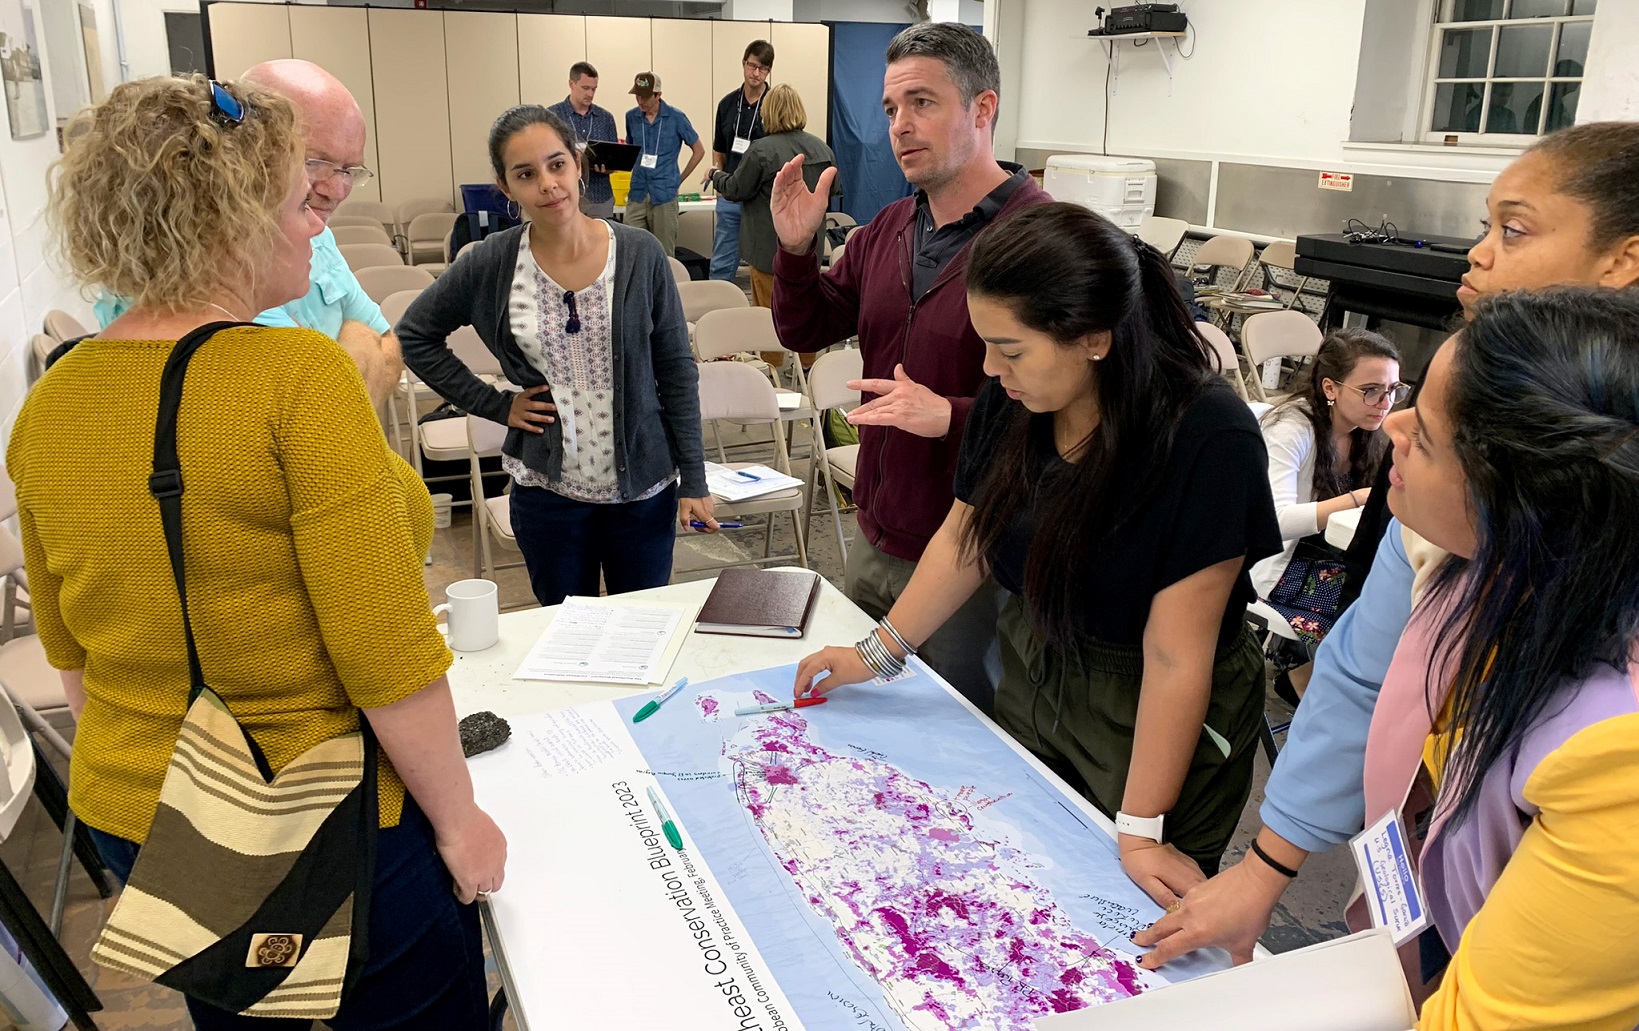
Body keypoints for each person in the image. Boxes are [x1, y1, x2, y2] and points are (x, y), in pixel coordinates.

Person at [16, 75, 501, 1028]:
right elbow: (386, 656)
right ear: (227, 220)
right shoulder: (298, 377)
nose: (316, 230)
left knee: (239, 1013)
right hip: (320, 820)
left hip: (139, 815)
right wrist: (461, 819)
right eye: (296, 204)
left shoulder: (51, 404)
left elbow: (73, 653)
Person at [1134, 120, 1639, 973]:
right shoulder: (1435, 522)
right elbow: (1365, 669)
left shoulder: (1604, 738)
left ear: (1621, 261)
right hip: (1427, 884)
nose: (1476, 256)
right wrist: (1267, 868)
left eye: (1511, 230)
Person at [795, 203, 1282, 902]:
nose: (990, 368)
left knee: (1120, 911)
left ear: (1092, 338)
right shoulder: (1014, 399)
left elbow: (1179, 655)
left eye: (1011, 348)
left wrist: (1141, 828)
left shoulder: (1206, 435)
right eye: (985, 343)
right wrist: (875, 653)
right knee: (1018, 869)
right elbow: (967, 534)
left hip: (1154, 704)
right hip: (1036, 661)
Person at [1370, 289, 1639, 1027]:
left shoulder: (1617, 759)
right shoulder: (1491, 573)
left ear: (1518, 498)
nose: (1390, 427)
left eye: (1422, 435)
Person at [769, 21, 1051, 715]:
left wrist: (951, 414)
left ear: (981, 110)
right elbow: (805, 327)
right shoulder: (889, 227)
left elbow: (1066, 409)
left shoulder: (1041, 239)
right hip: (875, 530)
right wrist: (796, 254)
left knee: (953, 733)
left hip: (972, 554)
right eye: (891, 108)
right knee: (865, 723)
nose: (899, 125)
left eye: (921, 102)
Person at [397, 105, 713, 608]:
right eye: (526, 174)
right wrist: (499, 405)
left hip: (643, 492)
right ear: (505, 187)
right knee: (566, 638)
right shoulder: (492, 262)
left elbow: (676, 369)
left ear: (579, 163)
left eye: (556, 164)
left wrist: (694, 477)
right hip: (549, 498)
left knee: (643, 631)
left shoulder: (641, 253)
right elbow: (414, 336)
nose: (547, 184)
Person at [93, 59, 402, 413]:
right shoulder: (194, 276)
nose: (337, 189)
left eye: (350, 170)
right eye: (314, 161)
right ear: (243, 155)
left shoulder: (314, 232)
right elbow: (309, 403)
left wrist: (352, 350)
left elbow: (384, 343)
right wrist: (357, 340)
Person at [1252, 329, 1400, 700]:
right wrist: (1359, 499)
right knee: (1376, 608)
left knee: (1397, 589)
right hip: (1279, 564)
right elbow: (1275, 520)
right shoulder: (1292, 429)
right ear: (1330, 388)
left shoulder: (1367, 431)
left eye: (1394, 390)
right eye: (1370, 390)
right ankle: (1312, 682)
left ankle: (1316, 680)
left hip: (1327, 555)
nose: (1384, 402)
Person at [707, 83, 835, 308]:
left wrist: (714, 174)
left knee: (768, 324)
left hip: (768, 257)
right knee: (803, 318)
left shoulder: (760, 151)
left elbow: (736, 189)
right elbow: (832, 191)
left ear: (768, 112)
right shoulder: (823, 150)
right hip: (808, 257)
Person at [705, 39, 774, 282]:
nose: (756, 73)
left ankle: (762, 315)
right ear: (744, 64)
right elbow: (719, 149)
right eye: (752, 66)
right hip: (731, 195)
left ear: (769, 71)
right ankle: (716, 309)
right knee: (722, 263)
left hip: (762, 199)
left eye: (763, 68)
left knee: (764, 265)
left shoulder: (774, 105)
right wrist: (720, 184)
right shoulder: (727, 104)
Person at [623, 72, 705, 257]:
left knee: (664, 254)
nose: (640, 101)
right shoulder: (631, 117)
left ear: (658, 95)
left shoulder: (676, 117)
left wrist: (678, 180)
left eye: (644, 97)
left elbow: (699, 151)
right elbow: (631, 150)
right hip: (637, 192)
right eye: (637, 96)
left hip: (664, 193)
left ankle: (665, 286)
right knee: (630, 249)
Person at [548, 61, 620, 220]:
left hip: (599, 196)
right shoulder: (552, 116)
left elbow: (613, 163)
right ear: (571, 84)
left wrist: (607, 167)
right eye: (585, 88)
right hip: (564, 196)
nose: (590, 94)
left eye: (594, 89)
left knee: (600, 243)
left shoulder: (605, 118)